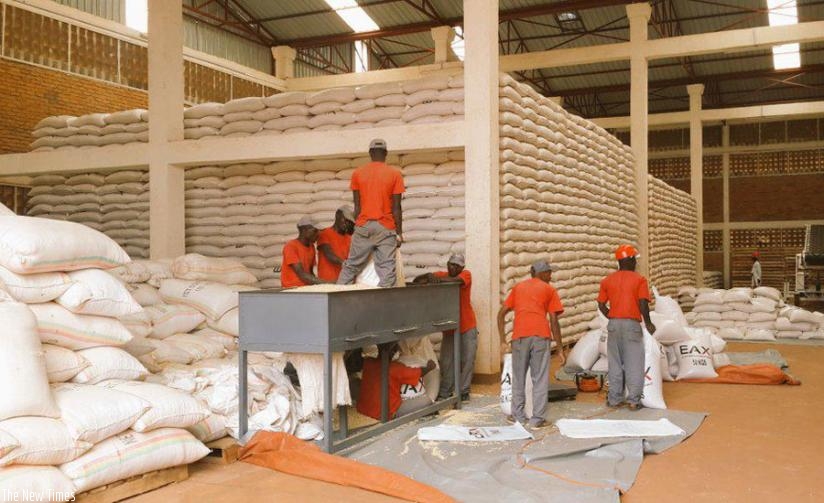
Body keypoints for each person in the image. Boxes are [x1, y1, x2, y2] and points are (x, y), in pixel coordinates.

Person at [497, 260, 565, 429]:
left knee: (518, 378)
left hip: (519, 337)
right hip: (541, 336)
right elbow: (554, 320)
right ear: (541, 273)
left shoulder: (518, 288)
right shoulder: (549, 290)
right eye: (549, 272)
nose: (551, 275)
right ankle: (537, 419)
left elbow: (501, 313)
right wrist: (561, 348)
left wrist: (502, 340)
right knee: (540, 379)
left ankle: (518, 417)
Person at [337, 139, 405, 288]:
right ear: (386, 153)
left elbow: (357, 206)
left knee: (351, 266)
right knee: (387, 269)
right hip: (385, 227)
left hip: (364, 225)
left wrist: (357, 228)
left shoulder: (357, 174)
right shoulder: (395, 174)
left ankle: (337, 296)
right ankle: (384, 304)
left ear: (370, 153)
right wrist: (399, 233)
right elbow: (396, 207)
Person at [597, 244, 656, 411]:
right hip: (631, 325)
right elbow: (643, 303)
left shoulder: (607, 280)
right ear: (630, 260)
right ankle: (633, 401)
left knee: (615, 363)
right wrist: (649, 322)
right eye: (635, 260)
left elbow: (601, 304)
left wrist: (613, 315)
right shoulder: (639, 280)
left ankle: (615, 399)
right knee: (634, 363)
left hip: (614, 325)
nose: (636, 263)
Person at [413, 254, 478, 402]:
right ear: (447, 264)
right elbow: (417, 281)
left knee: (468, 359)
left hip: (467, 325)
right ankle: (446, 390)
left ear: (462, 268)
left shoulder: (466, 275)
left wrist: (435, 280)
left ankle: (464, 391)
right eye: (451, 264)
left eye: (456, 266)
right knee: (447, 361)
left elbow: (455, 281)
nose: (453, 268)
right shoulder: (441, 275)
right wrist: (427, 275)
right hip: (450, 327)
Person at [356, 342, 437, 420]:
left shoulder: (368, 362)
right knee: (427, 401)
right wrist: (430, 366)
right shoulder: (395, 368)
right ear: (393, 352)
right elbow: (419, 372)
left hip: (364, 409)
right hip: (386, 413)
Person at [279, 216, 325, 288]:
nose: (318, 234)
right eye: (315, 231)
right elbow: (302, 275)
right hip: (292, 290)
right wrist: (327, 283)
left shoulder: (311, 247)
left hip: (305, 289)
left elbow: (310, 273)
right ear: (304, 230)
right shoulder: (291, 246)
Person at [317, 206, 355, 282]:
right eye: (345, 219)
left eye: (349, 222)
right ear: (337, 215)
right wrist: (346, 265)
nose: (346, 223)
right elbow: (329, 255)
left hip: (343, 280)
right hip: (328, 281)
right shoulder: (325, 234)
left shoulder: (349, 237)